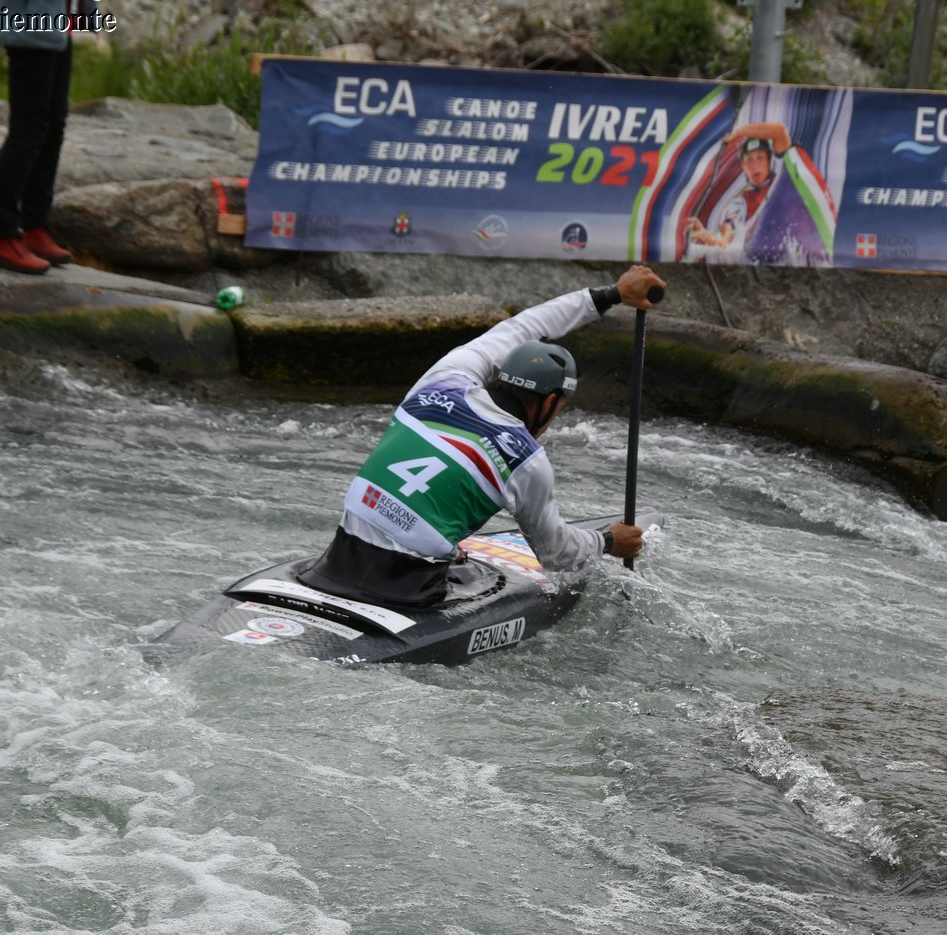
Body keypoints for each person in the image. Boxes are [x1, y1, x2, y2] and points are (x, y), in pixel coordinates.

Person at [303, 266, 666, 608]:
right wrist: (607, 541)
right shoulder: (525, 459)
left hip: (337, 557)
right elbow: (556, 555)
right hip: (406, 590)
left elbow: (524, 326)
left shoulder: (445, 377)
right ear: (551, 401)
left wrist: (611, 294)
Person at [0, 0, 110, 275]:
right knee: (30, 129)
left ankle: (34, 227)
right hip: (28, 30)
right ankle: (1, 234)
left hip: (55, 30)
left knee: (52, 127)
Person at [683, 121, 835, 266]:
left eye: (760, 157)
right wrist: (704, 235)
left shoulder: (783, 177)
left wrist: (740, 133)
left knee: (793, 152)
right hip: (763, 253)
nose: (754, 165)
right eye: (748, 159)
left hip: (796, 241)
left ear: (769, 160)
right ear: (743, 167)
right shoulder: (740, 203)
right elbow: (724, 240)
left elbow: (779, 131)